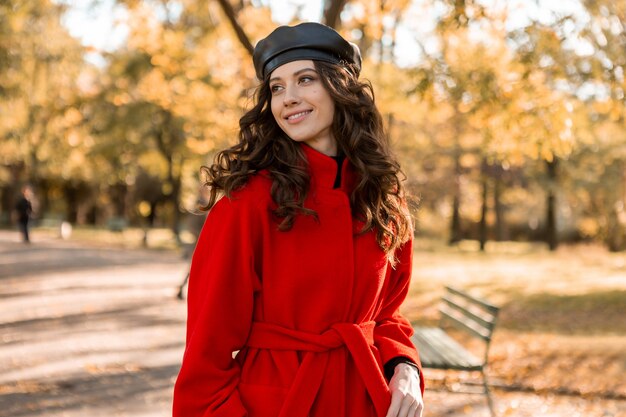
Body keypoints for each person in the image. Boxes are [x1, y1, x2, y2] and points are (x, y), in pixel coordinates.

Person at [173, 22, 424, 417]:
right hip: (276, 402)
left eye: (305, 79)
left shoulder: (383, 198)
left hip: (365, 398)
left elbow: (387, 313)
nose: (288, 98)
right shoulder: (247, 204)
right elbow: (206, 357)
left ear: (340, 88)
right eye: (276, 87)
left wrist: (404, 366)